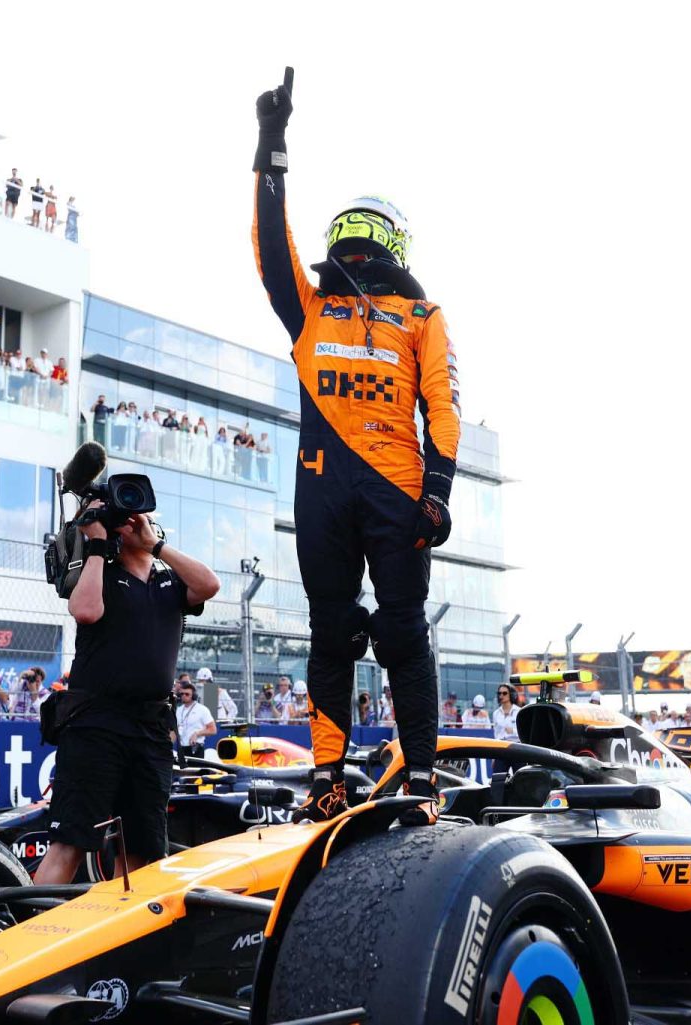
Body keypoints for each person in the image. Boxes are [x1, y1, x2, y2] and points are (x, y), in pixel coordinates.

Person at [252, 71, 459, 826]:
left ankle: (420, 776)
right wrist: (271, 143)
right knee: (336, 630)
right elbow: (271, 244)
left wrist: (439, 490)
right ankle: (329, 778)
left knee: (397, 632)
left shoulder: (421, 314)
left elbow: (443, 403)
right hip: (338, 490)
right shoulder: (313, 308)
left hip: (386, 490)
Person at [31, 501, 219, 885]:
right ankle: (32, 923)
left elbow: (210, 585)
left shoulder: (169, 580)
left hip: (151, 729)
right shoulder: (100, 572)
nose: (134, 521)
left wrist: (155, 545)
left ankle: (123, 923)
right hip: (95, 724)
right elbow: (84, 611)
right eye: (124, 518)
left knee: (142, 851)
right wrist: (97, 543)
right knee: (70, 843)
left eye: (142, 516)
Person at [174, 681, 216, 758]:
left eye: (187, 694)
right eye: (182, 694)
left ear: (193, 696)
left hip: (195, 748)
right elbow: (174, 730)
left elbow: (213, 730)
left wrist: (197, 734)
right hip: (181, 748)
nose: (184, 696)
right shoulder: (179, 710)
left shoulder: (202, 709)